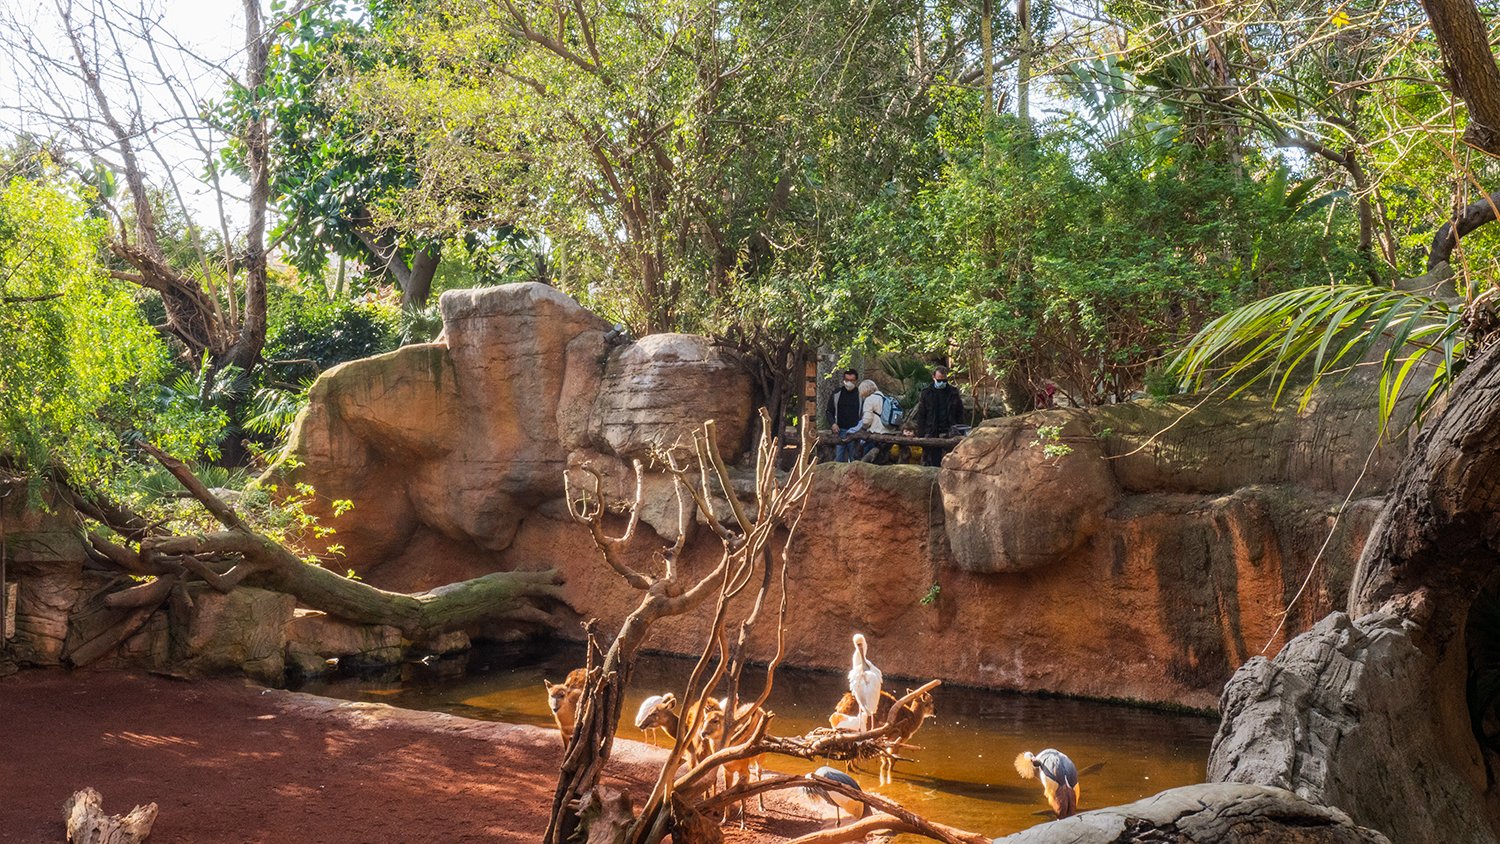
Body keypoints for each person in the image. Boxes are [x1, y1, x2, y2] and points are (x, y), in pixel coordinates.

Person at [909, 366, 965, 467]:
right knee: (933, 461)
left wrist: (959, 429)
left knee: (951, 461)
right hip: (932, 431)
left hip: (950, 431)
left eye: (944, 380)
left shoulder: (953, 392)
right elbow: (922, 415)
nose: (942, 383)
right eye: (939, 380)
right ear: (933, 377)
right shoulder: (926, 393)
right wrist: (921, 434)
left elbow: (959, 412)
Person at [842, 380, 892, 461]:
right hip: (888, 433)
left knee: (867, 460)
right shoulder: (885, 398)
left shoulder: (870, 400)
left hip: (875, 433)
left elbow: (867, 421)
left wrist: (861, 429)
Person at [826, 369, 864, 462]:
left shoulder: (861, 395)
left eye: (851, 380)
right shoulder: (837, 394)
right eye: (847, 380)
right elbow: (829, 411)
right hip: (840, 431)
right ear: (843, 380)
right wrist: (833, 424)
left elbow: (864, 414)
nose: (849, 383)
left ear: (856, 381)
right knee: (838, 459)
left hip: (855, 432)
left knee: (855, 459)